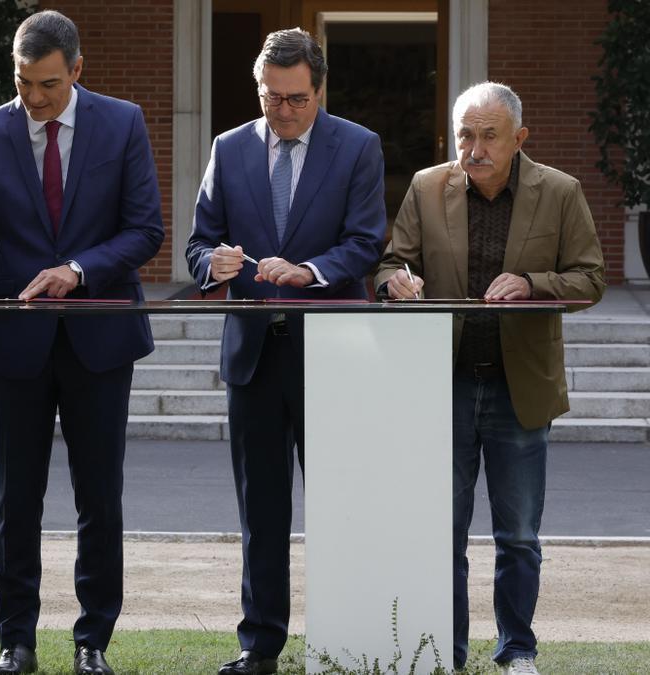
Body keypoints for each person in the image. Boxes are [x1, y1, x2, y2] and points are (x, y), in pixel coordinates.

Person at [0, 10, 164, 675]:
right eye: (22, 84)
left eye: (47, 85)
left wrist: (79, 268)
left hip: (101, 337)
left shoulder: (123, 122)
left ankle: (92, 639)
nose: (34, 99)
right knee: (18, 499)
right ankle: (16, 642)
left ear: (76, 69)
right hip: (17, 338)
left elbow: (145, 229)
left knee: (100, 497)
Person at [375, 81, 605, 675]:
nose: (474, 148)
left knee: (520, 536)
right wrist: (394, 282)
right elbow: (392, 260)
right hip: (442, 384)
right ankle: (445, 656)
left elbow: (589, 279)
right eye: (464, 136)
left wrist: (533, 283)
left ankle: (516, 651)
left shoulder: (560, 192)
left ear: (519, 138)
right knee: (441, 535)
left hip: (518, 388)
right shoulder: (427, 188)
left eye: (488, 136)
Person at [185, 28, 387, 675]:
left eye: (297, 98)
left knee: (337, 508)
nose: (284, 111)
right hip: (252, 357)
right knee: (261, 515)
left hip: (331, 351)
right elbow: (197, 246)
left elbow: (365, 242)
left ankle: (343, 640)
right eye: (272, 97)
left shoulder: (358, 147)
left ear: (319, 90)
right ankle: (259, 645)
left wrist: (309, 270)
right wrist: (210, 262)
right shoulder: (228, 148)